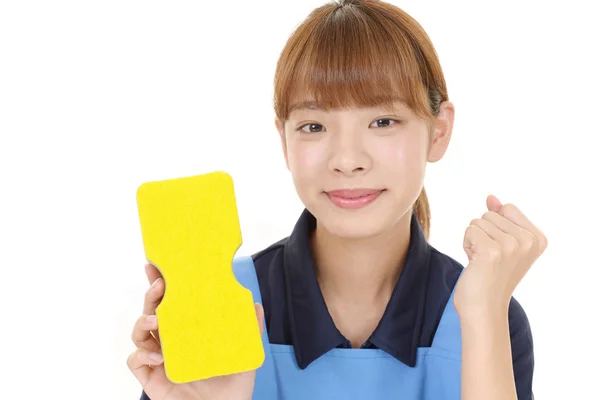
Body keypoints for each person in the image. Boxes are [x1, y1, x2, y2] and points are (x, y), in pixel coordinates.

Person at [127, 0, 547, 399]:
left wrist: (483, 315)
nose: (347, 160)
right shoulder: (216, 307)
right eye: (313, 126)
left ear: (438, 132)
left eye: (383, 121)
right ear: (284, 141)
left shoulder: (487, 314)